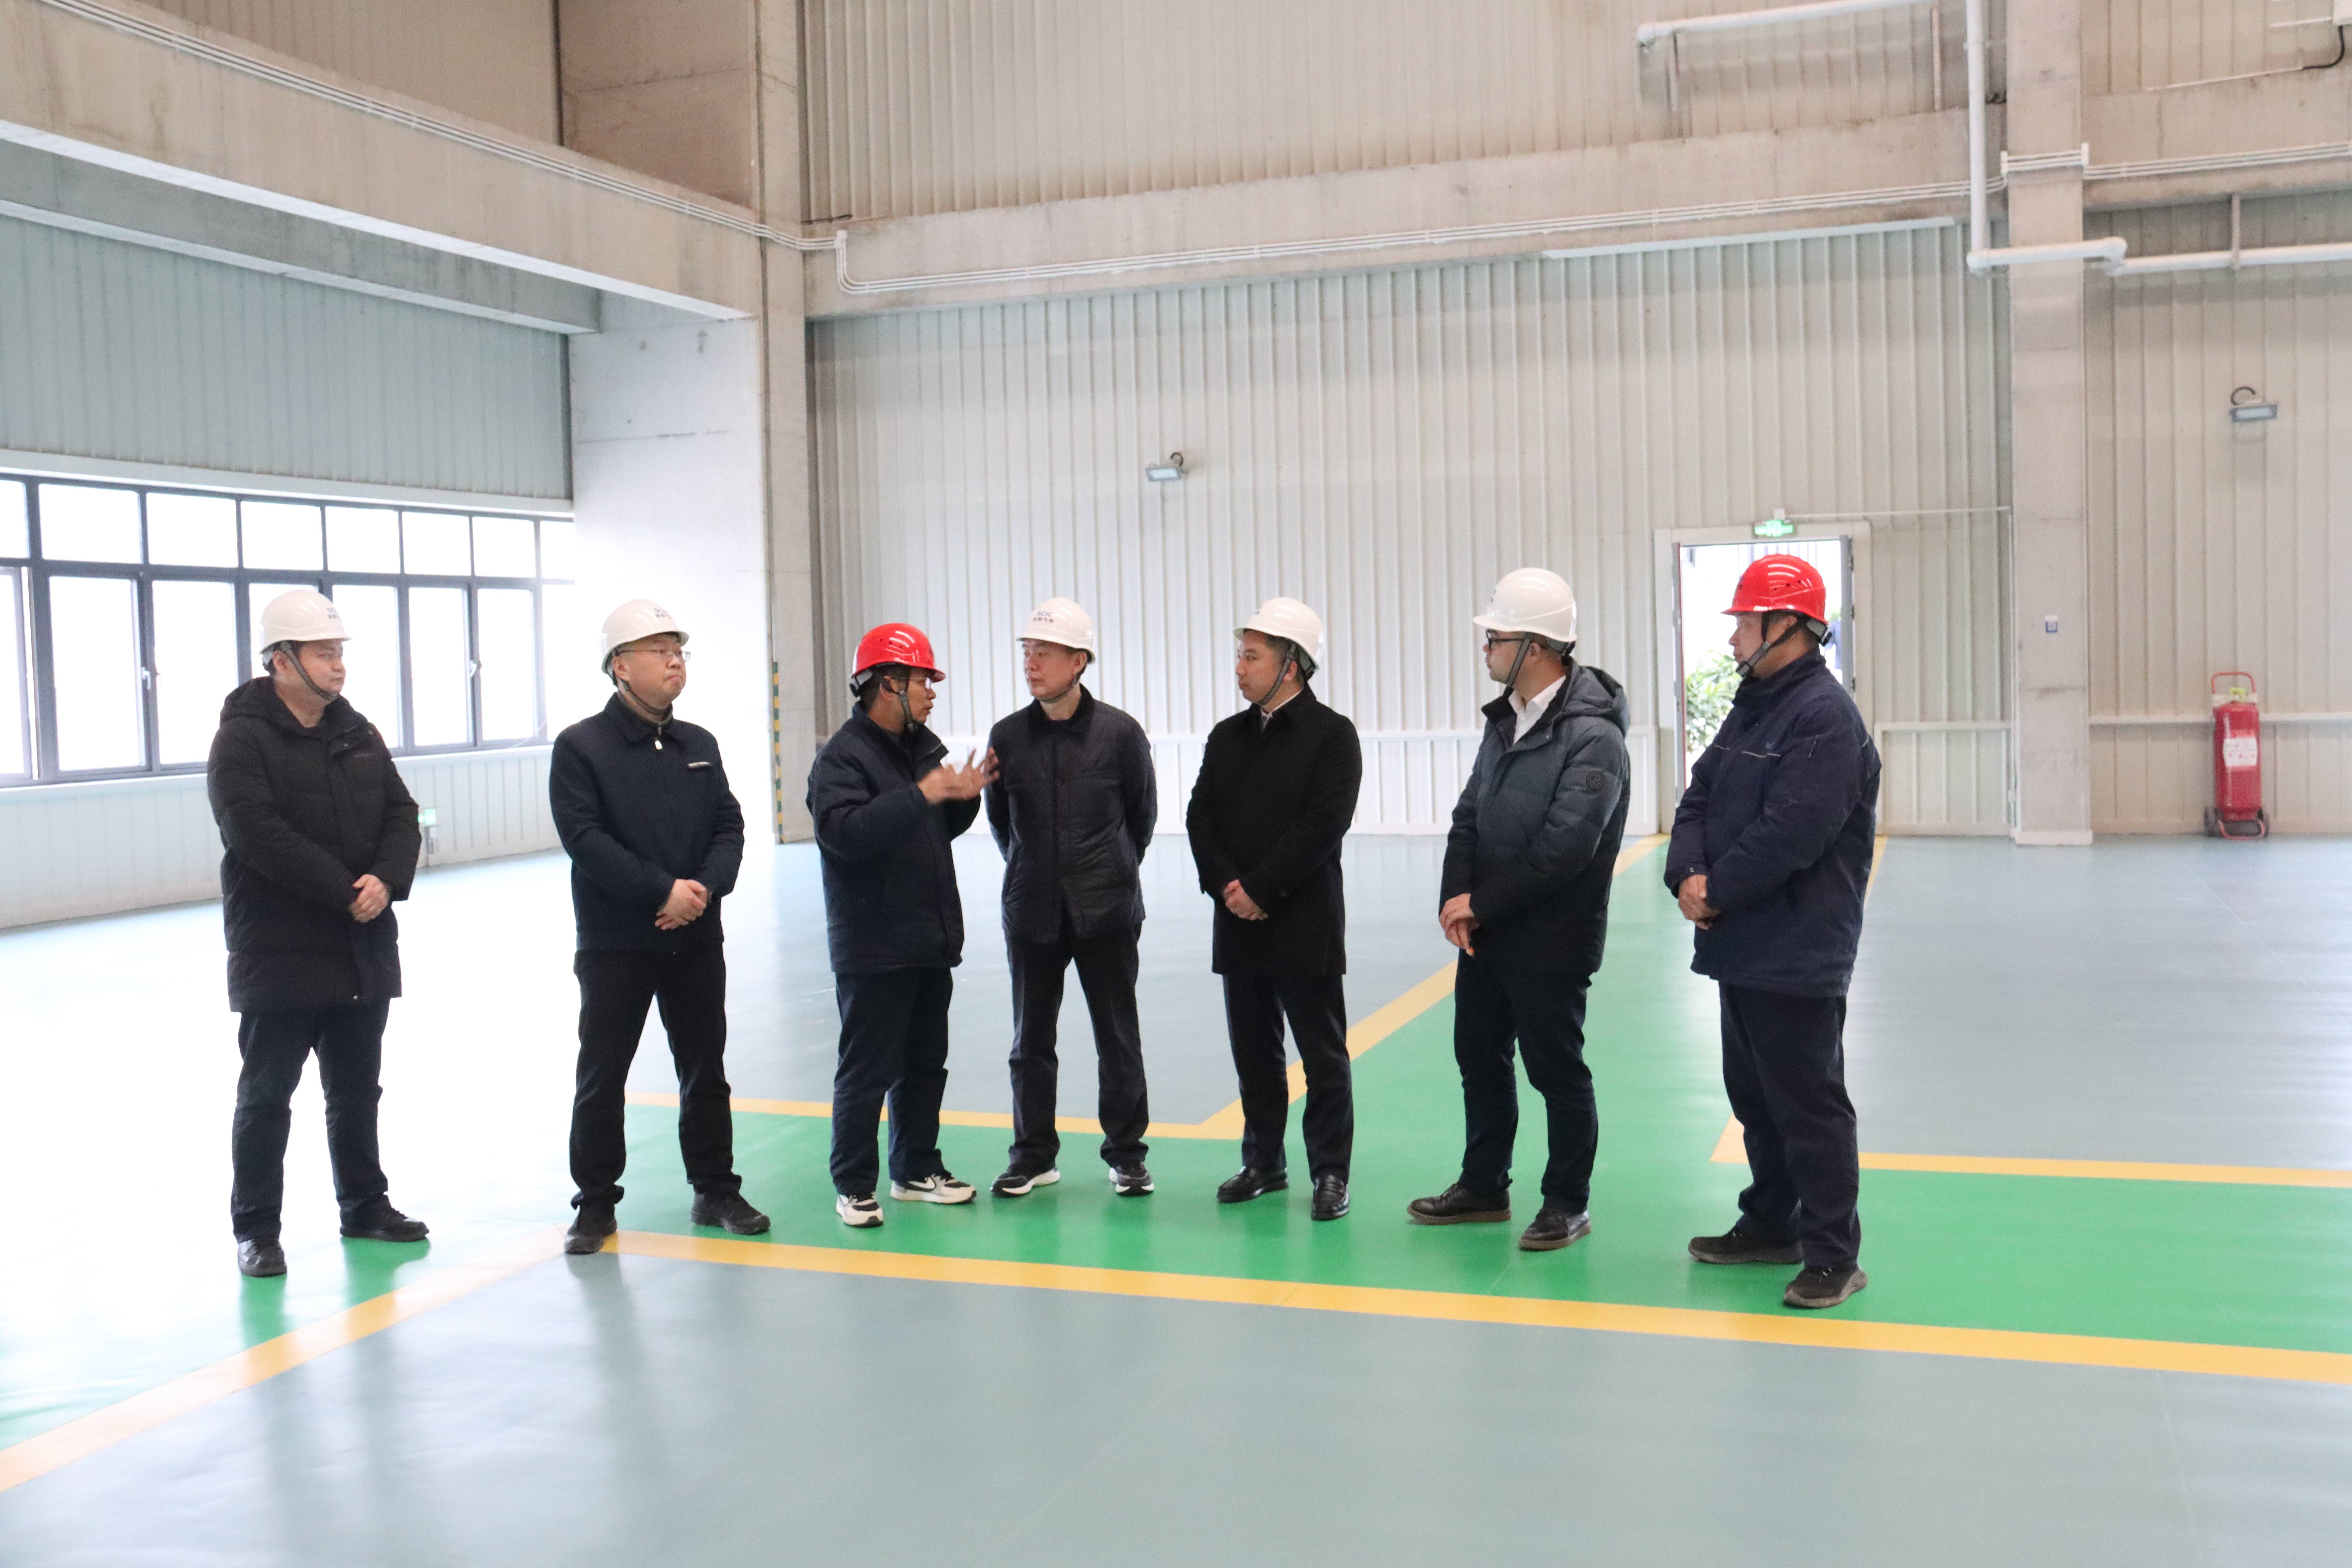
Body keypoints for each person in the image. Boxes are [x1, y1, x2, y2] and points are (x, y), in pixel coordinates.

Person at [1666, 554, 1881, 1310]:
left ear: (1787, 626)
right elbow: (1698, 798)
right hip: (1743, 944)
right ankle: (1770, 1224)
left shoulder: (1825, 718)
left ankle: (1832, 1254)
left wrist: (1715, 888)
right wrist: (1686, 872)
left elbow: (1794, 833)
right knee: (1755, 1096)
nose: (1734, 640)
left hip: (1797, 947)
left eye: (1745, 624)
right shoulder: (1754, 706)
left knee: (1808, 1106)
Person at [1408, 569, 1632, 1251]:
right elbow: (1469, 815)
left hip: (1552, 938)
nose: (1486, 650)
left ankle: (1567, 1201)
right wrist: (1457, 901)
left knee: (1555, 1071)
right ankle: (1484, 1185)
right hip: (1489, 933)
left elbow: (1565, 849)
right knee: (1479, 1057)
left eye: (1495, 639)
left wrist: (1481, 903)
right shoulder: (1507, 721)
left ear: (1534, 647)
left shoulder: (1594, 737)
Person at [208, 588, 428, 1279]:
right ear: (282, 660)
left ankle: (365, 1205)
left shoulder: (357, 731)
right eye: (324, 652)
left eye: (339, 652)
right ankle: (257, 1230)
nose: (339, 665)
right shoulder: (241, 739)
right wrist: (346, 891)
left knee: (357, 1092)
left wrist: (385, 880)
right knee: (267, 1095)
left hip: (361, 946)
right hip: (281, 951)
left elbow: (401, 812)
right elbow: (255, 833)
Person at [550, 599, 766, 1257]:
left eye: (679, 651)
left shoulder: (698, 744)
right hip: (617, 942)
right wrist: (662, 890)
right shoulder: (581, 747)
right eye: (660, 650)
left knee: (705, 1068)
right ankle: (595, 1203)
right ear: (620, 666)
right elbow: (586, 839)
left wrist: (702, 890)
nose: (675, 661)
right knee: (603, 1073)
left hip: (694, 936)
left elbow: (729, 824)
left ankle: (716, 1189)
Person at [809, 623, 995, 1227]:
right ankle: (853, 1184)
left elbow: (931, 829)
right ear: (889, 684)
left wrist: (962, 798)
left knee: (924, 1065)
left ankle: (916, 1168)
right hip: (874, 946)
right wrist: (923, 794)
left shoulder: (921, 748)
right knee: (867, 1071)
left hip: (927, 939)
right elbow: (845, 835)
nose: (932, 693)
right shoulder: (841, 759)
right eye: (923, 682)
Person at [1186, 598, 1363, 1221]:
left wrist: (1260, 889)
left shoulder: (1332, 737)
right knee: (1255, 1054)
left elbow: (1324, 825)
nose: (1239, 667)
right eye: (1241, 655)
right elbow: (1200, 815)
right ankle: (1263, 1161)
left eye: (1252, 657)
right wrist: (1227, 886)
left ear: (1291, 665)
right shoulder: (1226, 737)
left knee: (1323, 1056)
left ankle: (1331, 1172)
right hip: (1238, 922)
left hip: (1303, 922)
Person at [983, 598, 1158, 1198]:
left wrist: (1110, 872)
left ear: (1079, 661)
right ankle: (1033, 1155)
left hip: (1106, 909)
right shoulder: (1007, 737)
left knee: (1118, 1036)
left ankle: (1127, 1154)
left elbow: (1141, 819)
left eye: (1045, 653)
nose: (1031, 663)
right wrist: (1031, 870)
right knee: (1030, 1041)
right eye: (1027, 651)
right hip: (1032, 910)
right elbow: (1002, 823)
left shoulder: (1120, 734)